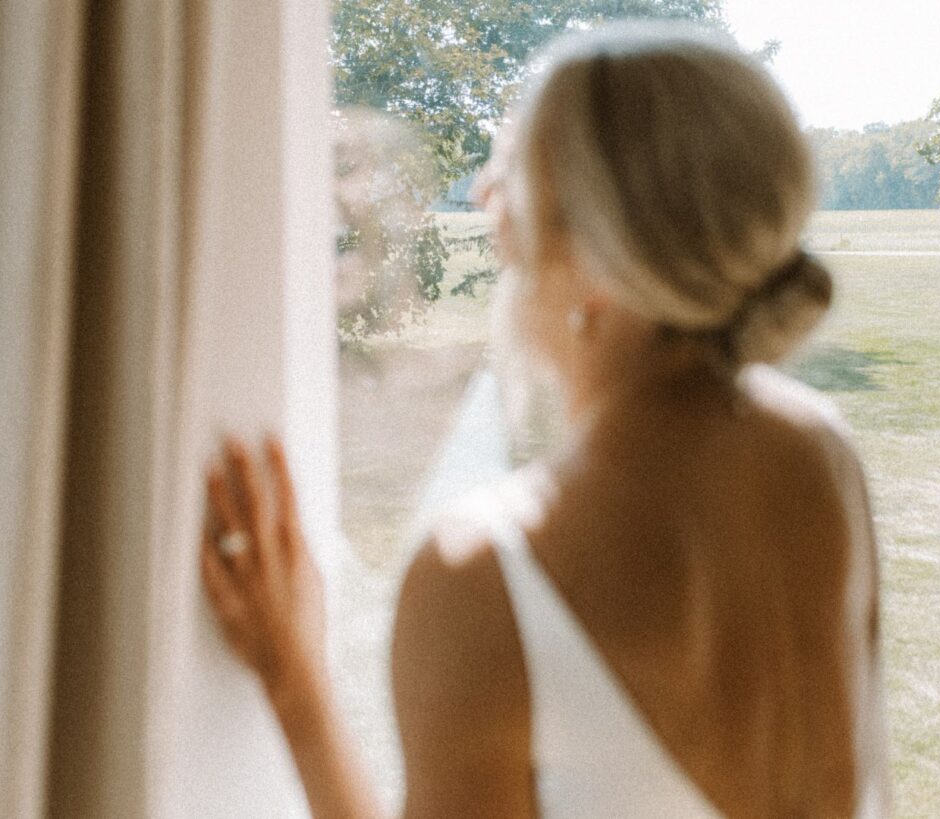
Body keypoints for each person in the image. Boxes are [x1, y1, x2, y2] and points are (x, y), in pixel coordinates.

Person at [200, 21, 889, 818]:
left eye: (515, 171)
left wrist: (293, 682)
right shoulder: (818, 453)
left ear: (598, 258)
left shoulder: (485, 572)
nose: (485, 195)